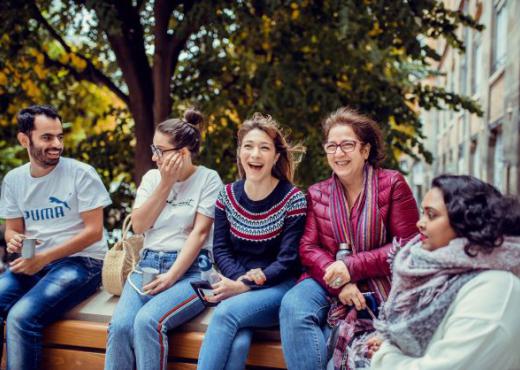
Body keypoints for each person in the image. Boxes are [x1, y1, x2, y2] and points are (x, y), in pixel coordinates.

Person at [279, 107, 419, 370]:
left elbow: (408, 245)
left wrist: (351, 267)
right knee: (293, 305)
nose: (338, 153)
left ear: (365, 151)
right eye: (331, 146)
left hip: (382, 277)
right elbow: (308, 247)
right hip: (327, 277)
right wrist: (339, 282)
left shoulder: (392, 184)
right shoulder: (317, 192)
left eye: (347, 145)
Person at [105, 109, 223, 370]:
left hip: (195, 271)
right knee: (121, 326)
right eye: (153, 148)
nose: (153, 156)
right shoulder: (152, 178)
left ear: (181, 153)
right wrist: (165, 184)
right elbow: (139, 225)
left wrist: (171, 276)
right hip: (147, 267)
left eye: (160, 150)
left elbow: (200, 233)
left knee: (148, 321)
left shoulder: (208, 179)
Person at [366, 175, 520, 370]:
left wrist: (385, 356)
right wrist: (394, 344)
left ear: (465, 220)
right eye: (423, 213)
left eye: (432, 215)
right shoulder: (442, 276)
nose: (420, 224)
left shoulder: (495, 288)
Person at [0, 105, 112, 370]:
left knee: (21, 318)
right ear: (24, 139)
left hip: (82, 263)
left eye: (59, 137)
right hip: (35, 263)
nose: (57, 144)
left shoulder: (81, 174)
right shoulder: (15, 180)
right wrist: (15, 239)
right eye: (47, 137)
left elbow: (93, 231)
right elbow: (12, 229)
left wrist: (44, 258)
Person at [196, 113, 307, 370]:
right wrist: (239, 282)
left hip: (279, 287)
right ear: (239, 152)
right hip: (238, 287)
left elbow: (288, 260)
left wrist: (246, 284)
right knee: (238, 345)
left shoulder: (293, 199)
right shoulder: (226, 196)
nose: (255, 154)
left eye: (264, 148)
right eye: (248, 146)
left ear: (276, 156)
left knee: (225, 314)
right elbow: (221, 249)